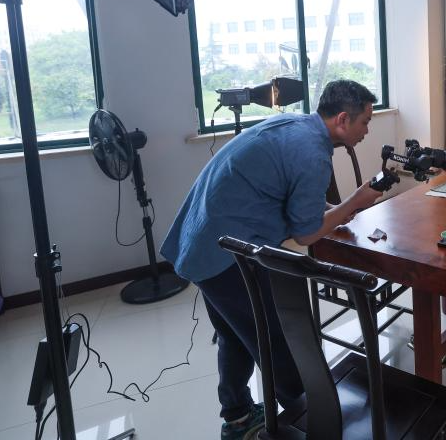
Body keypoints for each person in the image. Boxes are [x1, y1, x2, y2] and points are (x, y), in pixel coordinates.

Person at [160, 80, 384, 439]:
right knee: (281, 343)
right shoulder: (313, 154)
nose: (367, 130)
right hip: (225, 255)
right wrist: (355, 202)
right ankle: (313, 420)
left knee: (234, 334)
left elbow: (296, 195)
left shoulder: (296, 126)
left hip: (201, 239)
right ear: (343, 119)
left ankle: (237, 417)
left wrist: (338, 210)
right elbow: (306, 235)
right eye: (365, 122)